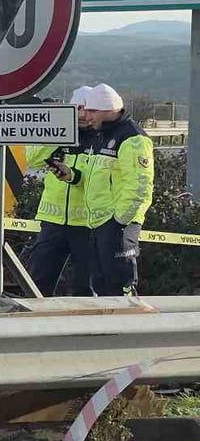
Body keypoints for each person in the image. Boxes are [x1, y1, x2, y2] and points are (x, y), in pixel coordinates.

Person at [81, 83, 154, 296]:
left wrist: (119, 222)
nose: (87, 115)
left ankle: (126, 328)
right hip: (99, 224)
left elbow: (139, 186)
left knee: (120, 288)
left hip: (117, 225)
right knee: (102, 287)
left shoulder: (132, 137)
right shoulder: (102, 134)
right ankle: (108, 328)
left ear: (108, 109)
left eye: (92, 110)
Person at [24, 87, 98, 296]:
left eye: (89, 109)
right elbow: (33, 158)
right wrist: (59, 132)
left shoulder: (101, 137)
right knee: (38, 285)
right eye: (79, 108)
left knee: (86, 287)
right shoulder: (60, 131)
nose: (83, 114)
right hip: (53, 221)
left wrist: (74, 176)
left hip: (87, 223)